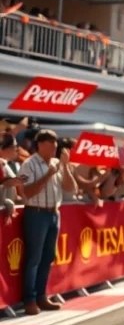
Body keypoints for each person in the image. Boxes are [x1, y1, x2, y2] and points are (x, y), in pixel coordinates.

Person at [18, 130, 76, 315]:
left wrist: (65, 167)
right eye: (51, 145)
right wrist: (47, 175)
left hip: (53, 213)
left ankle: (41, 296)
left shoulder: (57, 163)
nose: (54, 149)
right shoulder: (29, 164)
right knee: (34, 258)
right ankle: (30, 299)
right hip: (36, 213)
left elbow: (71, 189)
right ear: (40, 144)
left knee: (48, 257)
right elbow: (25, 192)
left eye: (56, 146)